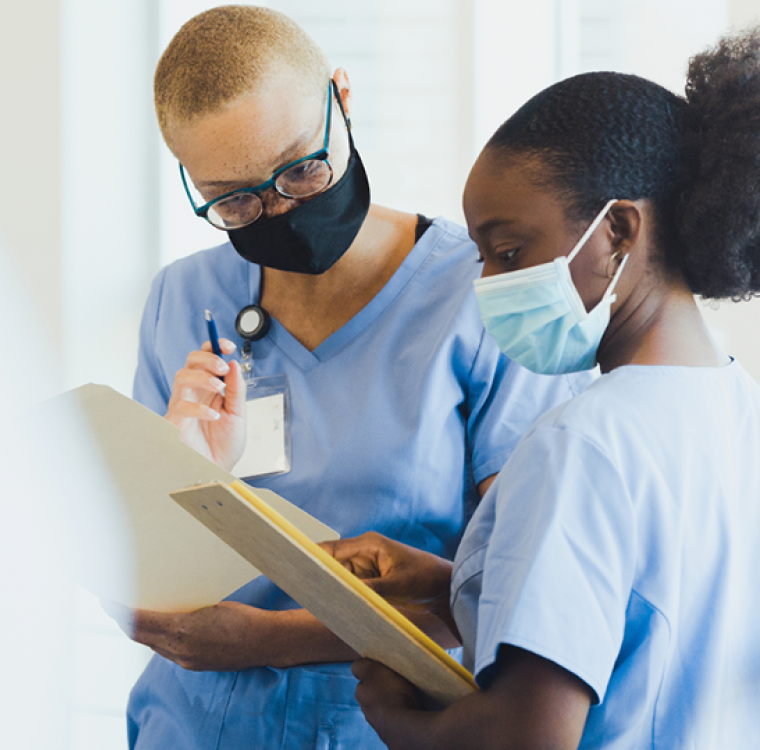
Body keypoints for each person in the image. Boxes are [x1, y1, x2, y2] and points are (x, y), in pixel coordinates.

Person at [117, 6, 589, 749]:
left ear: (342, 96)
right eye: (235, 198)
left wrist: (270, 639)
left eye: (303, 168)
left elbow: (517, 595)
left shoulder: (477, 294)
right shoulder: (183, 298)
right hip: (188, 725)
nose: (279, 208)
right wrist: (172, 476)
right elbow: (139, 573)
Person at [328, 28, 760, 749]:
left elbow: (526, 735)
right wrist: (453, 581)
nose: (487, 287)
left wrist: (394, 717)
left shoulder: (580, 441)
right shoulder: (737, 408)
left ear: (619, 229)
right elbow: (652, 618)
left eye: (507, 252)